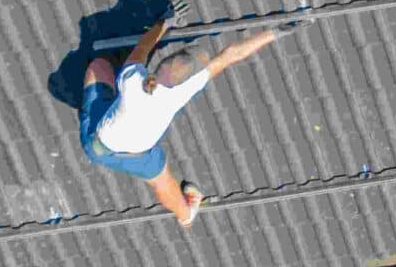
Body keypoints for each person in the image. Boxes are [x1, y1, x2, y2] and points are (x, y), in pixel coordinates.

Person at [79, 16, 281, 225]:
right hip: (129, 154)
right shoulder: (181, 94)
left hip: (99, 139)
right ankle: (186, 215)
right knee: (162, 181)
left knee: (99, 66)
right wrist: (274, 32)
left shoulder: (132, 78)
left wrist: (164, 23)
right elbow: (230, 55)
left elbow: (144, 46)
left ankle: (103, 106)